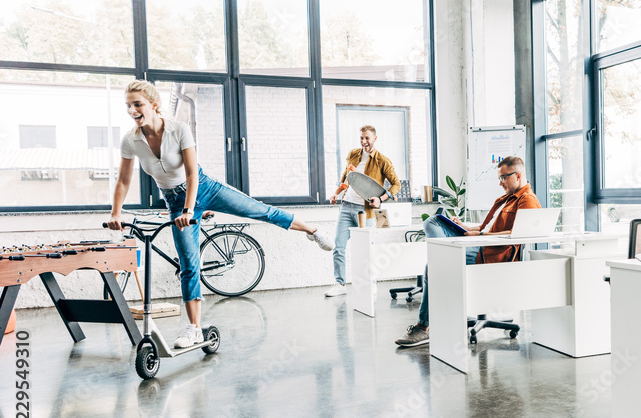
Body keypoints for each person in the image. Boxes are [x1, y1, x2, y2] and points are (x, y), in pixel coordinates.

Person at [108, 80, 334, 349]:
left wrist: (190, 209)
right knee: (189, 263)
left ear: (154, 105)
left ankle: (312, 231)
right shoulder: (130, 140)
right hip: (174, 200)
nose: (132, 110)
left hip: (204, 188)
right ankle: (193, 329)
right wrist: (115, 213)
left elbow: (192, 174)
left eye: (137, 104)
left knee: (259, 211)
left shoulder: (178, 130)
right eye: (128, 106)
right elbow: (123, 181)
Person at [395, 156, 540, 347]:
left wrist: (479, 234)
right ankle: (444, 260)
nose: (500, 182)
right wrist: (466, 228)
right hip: (482, 244)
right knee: (434, 221)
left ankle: (424, 327)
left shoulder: (527, 200)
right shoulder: (506, 199)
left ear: (518, 175)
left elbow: (519, 234)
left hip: (490, 255)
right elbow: (487, 228)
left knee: (434, 266)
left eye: (503, 178)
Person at [324, 125, 401, 297]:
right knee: (338, 246)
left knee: (367, 249)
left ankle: (369, 283)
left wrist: (380, 199)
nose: (364, 141)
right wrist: (336, 194)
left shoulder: (383, 161)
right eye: (361, 138)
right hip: (346, 206)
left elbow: (397, 185)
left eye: (367, 138)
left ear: (375, 138)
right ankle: (340, 283)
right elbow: (345, 177)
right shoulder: (353, 154)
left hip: (365, 211)